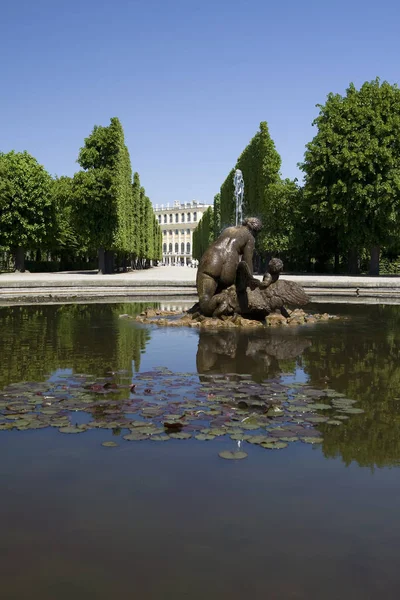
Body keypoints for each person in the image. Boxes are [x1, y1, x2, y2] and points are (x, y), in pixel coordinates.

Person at [196, 217, 262, 316]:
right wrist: (250, 279)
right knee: (228, 290)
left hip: (210, 259)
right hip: (228, 265)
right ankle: (224, 304)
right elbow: (247, 260)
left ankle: (209, 306)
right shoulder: (250, 237)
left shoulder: (228, 229)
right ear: (255, 231)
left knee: (204, 299)